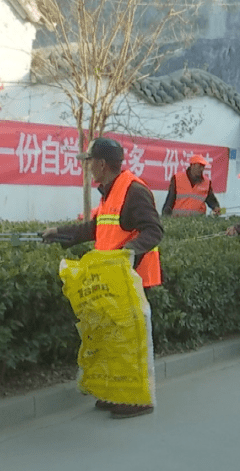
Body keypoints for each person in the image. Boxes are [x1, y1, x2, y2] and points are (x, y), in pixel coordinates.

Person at [40, 137, 163, 418]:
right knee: (113, 340)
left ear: (102, 164)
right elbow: (95, 229)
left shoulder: (134, 190)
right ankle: (118, 393)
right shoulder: (110, 191)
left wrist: (125, 254)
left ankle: (138, 401)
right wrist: (58, 232)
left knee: (131, 343)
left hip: (134, 279)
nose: (88, 167)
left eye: (90, 162)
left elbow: (154, 230)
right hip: (113, 280)